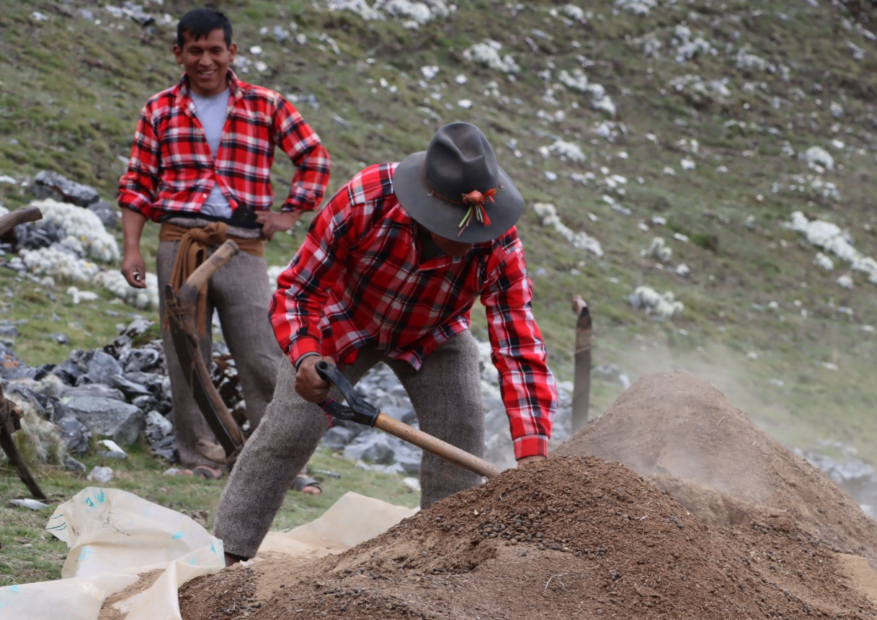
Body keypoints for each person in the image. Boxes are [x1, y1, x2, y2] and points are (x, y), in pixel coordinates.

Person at [213, 121, 557, 566]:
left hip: (436, 331)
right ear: (423, 209)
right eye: (453, 231)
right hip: (346, 318)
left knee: (462, 431)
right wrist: (306, 355)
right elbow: (298, 290)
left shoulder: (498, 245)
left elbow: (519, 348)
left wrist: (533, 455)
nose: (464, 243)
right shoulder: (365, 199)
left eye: (472, 235)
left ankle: (441, 566)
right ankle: (226, 557)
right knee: (290, 428)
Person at [117, 8, 330, 489]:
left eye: (215, 50)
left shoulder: (265, 104)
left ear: (231, 52)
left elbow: (312, 156)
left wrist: (290, 213)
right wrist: (132, 249)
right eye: (195, 50)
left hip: (242, 245)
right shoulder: (160, 108)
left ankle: (278, 459)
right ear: (179, 53)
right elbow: (135, 184)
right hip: (178, 240)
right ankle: (200, 453)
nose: (206, 60)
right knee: (186, 350)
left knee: (260, 351)